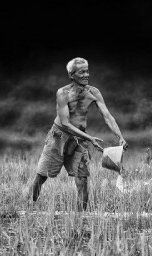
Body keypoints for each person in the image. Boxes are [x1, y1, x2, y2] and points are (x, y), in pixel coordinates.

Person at [29, 57, 128, 211]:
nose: (86, 75)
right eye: (81, 72)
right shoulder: (63, 93)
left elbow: (107, 116)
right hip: (59, 137)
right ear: (71, 75)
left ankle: (80, 218)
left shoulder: (94, 92)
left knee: (82, 179)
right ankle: (29, 207)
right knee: (42, 176)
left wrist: (120, 137)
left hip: (79, 139)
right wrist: (90, 139)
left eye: (87, 71)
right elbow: (66, 123)